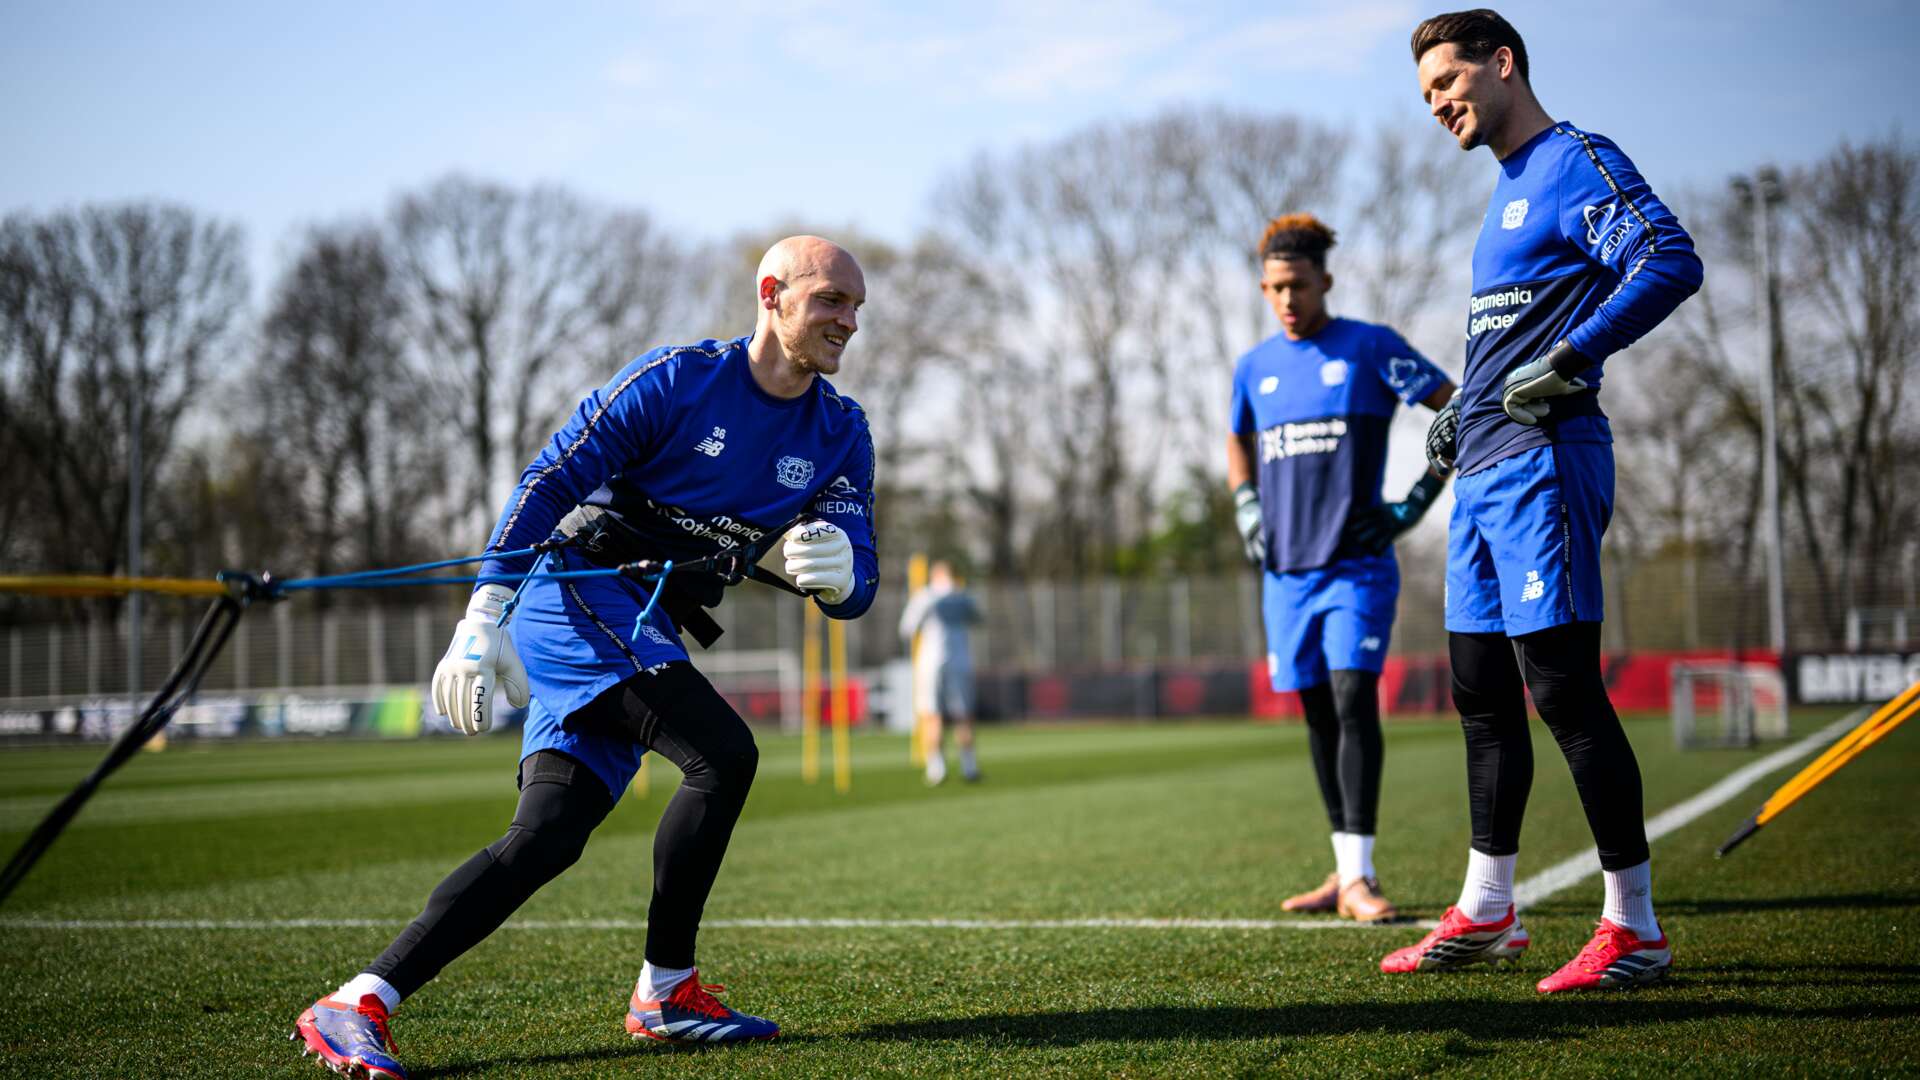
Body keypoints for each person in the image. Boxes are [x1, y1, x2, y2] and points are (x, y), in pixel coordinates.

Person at [292, 236, 880, 1076]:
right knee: (723, 754)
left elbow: (861, 584)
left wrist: (843, 576)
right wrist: (480, 618)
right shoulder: (675, 381)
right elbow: (548, 482)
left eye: (856, 308)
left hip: (645, 625)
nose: (847, 321)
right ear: (771, 293)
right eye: (830, 300)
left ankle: (359, 1001)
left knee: (548, 836)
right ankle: (667, 992)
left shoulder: (842, 431)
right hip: (572, 594)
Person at [1383, 10, 1703, 992]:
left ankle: (1634, 928)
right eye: (1428, 93)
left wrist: (1575, 356)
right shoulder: (1502, 197)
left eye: (1449, 81)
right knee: (1480, 694)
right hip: (1479, 470)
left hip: (1542, 464)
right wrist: (1456, 415)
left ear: (1502, 63)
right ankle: (1488, 911)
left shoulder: (1576, 159)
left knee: (1561, 688)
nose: (1440, 104)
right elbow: (1507, 329)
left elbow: (1669, 258)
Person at [1228, 213, 1456, 925]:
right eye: (1273, 288)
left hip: (1357, 567)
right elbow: (1236, 438)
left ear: (1325, 280)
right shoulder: (1255, 366)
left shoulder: (1369, 348)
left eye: (1297, 286)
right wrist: (1245, 505)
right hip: (1286, 576)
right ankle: (1346, 868)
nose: (1286, 301)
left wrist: (1413, 503)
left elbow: (1457, 409)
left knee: (1356, 699)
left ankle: (1359, 878)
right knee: (1319, 714)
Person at [898, 560, 984, 784]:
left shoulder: (926, 596)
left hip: (931, 661)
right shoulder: (961, 596)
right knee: (961, 715)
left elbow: (907, 628)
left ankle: (937, 768)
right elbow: (979, 619)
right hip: (958, 661)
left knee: (933, 714)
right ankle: (968, 766)